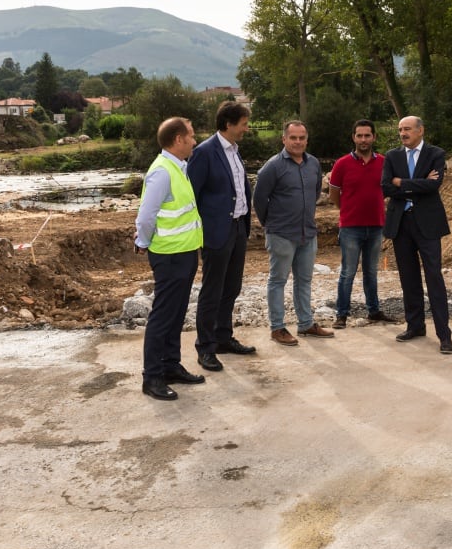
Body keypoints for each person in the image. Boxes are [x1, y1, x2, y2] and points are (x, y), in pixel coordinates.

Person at [133, 117, 206, 400]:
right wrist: (143, 242)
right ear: (178, 140)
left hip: (184, 252)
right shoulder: (162, 172)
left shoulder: (178, 167)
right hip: (169, 255)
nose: (194, 140)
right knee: (163, 315)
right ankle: (152, 377)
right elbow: (146, 216)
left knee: (176, 313)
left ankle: (170, 365)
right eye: (190, 135)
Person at [187, 101, 258, 372]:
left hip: (238, 228)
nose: (246, 129)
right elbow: (192, 193)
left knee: (232, 288)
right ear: (228, 124)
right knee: (212, 291)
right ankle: (205, 348)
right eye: (244, 123)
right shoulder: (205, 152)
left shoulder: (235, 152)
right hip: (216, 232)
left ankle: (223, 338)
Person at [253, 120, 333, 346]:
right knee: (277, 280)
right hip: (281, 234)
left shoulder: (313, 164)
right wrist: (271, 224)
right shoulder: (272, 166)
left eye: (301, 138)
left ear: (307, 139)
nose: (298, 142)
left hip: (307, 233)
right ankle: (277, 328)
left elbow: (316, 191)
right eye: (293, 138)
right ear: (284, 139)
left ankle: (306, 324)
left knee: (304, 280)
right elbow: (259, 199)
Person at [382, 116, 452, 354]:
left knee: (434, 277)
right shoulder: (392, 156)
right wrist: (418, 183)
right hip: (401, 223)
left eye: (408, 129)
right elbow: (386, 187)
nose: (403, 133)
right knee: (408, 277)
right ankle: (415, 326)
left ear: (420, 130)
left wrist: (401, 182)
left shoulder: (435, 154)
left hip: (428, 224)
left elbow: (434, 186)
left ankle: (444, 335)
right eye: (400, 129)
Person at [328, 119, 396, 329]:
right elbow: (334, 193)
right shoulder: (342, 164)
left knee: (371, 271)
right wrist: (347, 210)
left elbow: (388, 188)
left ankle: (374, 311)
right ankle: (342, 314)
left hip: (376, 226)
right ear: (353, 137)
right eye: (360, 135)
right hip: (350, 227)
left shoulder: (384, 162)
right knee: (347, 272)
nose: (363, 139)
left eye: (367, 135)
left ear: (374, 137)